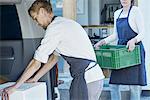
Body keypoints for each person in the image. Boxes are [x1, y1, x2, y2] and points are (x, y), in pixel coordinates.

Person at [0, 0, 104, 100]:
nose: (37, 23)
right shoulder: (62, 23)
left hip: (87, 79)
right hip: (93, 78)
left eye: (36, 19)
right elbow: (53, 58)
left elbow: (36, 63)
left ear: (42, 11)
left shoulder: (55, 28)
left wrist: (15, 87)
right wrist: (35, 78)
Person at [94, 0, 147, 100]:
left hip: (133, 51)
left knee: (134, 87)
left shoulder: (136, 11)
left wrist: (134, 40)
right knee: (114, 85)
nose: (124, 0)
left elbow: (142, 32)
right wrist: (103, 41)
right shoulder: (117, 13)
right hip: (120, 53)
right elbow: (116, 35)